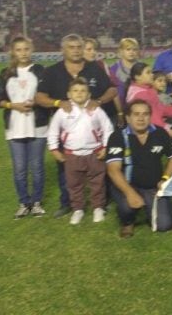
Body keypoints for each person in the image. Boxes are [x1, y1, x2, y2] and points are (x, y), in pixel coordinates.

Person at [36, 33, 117, 218]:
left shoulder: (94, 69)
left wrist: (99, 100)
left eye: (79, 47)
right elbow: (39, 97)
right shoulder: (52, 71)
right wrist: (58, 103)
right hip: (67, 130)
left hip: (92, 129)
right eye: (71, 47)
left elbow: (112, 89)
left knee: (98, 169)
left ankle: (101, 203)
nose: (76, 50)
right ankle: (69, 204)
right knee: (65, 171)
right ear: (63, 50)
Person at [0, 36, 50, 218]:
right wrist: (13, 106)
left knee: (37, 167)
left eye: (26, 49)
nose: (23, 53)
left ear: (31, 50)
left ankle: (37, 202)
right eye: (19, 50)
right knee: (19, 168)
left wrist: (36, 102)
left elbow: (46, 94)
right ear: (13, 52)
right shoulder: (5, 73)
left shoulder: (40, 70)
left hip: (38, 126)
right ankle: (24, 202)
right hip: (14, 128)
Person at [106, 100, 172, 238]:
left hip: (152, 187)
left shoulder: (160, 133)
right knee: (127, 206)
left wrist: (165, 178)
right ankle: (128, 222)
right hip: (127, 185)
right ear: (128, 117)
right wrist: (130, 193)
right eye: (136, 114)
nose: (141, 118)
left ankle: (149, 206)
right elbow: (113, 170)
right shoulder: (117, 137)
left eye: (145, 114)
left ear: (150, 116)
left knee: (164, 225)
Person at [47, 77, 114, 225]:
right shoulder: (62, 112)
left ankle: (98, 207)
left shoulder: (96, 110)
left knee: (98, 182)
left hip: (94, 153)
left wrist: (105, 147)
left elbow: (108, 129)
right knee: (74, 184)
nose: (79, 93)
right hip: (72, 155)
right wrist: (54, 149)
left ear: (89, 94)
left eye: (83, 91)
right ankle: (78, 209)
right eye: (75, 91)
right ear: (69, 94)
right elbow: (53, 131)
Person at [126, 62, 172, 133]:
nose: (152, 75)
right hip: (150, 132)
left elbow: (160, 109)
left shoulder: (144, 90)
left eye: (151, 72)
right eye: (148, 73)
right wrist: (166, 130)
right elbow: (153, 118)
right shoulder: (142, 94)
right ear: (137, 77)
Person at [83, 37, 120, 124]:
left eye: (94, 49)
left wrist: (120, 112)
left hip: (108, 114)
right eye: (89, 49)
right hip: (86, 117)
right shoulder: (74, 69)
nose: (93, 52)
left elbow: (113, 90)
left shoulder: (101, 65)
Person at [108, 37, 140, 116]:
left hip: (139, 108)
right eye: (128, 49)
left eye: (134, 49)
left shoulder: (142, 68)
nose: (131, 52)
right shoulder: (113, 69)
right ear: (121, 51)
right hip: (119, 109)